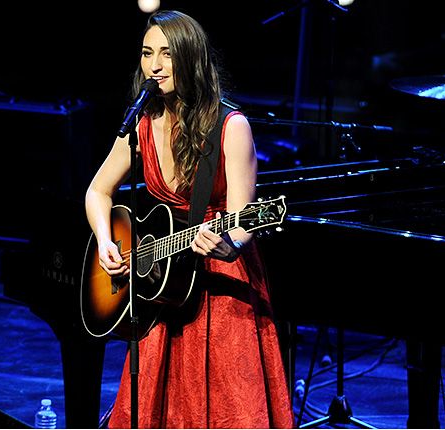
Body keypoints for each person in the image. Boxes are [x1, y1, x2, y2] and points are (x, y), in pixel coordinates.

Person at [84, 9, 294, 428]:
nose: (154, 66)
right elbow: (97, 191)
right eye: (147, 54)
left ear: (191, 59)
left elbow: (241, 220)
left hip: (220, 280)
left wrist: (230, 243)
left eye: (167, 54)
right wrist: (107, 242)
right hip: (162, 283)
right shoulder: (141, 125)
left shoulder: (230, 127)